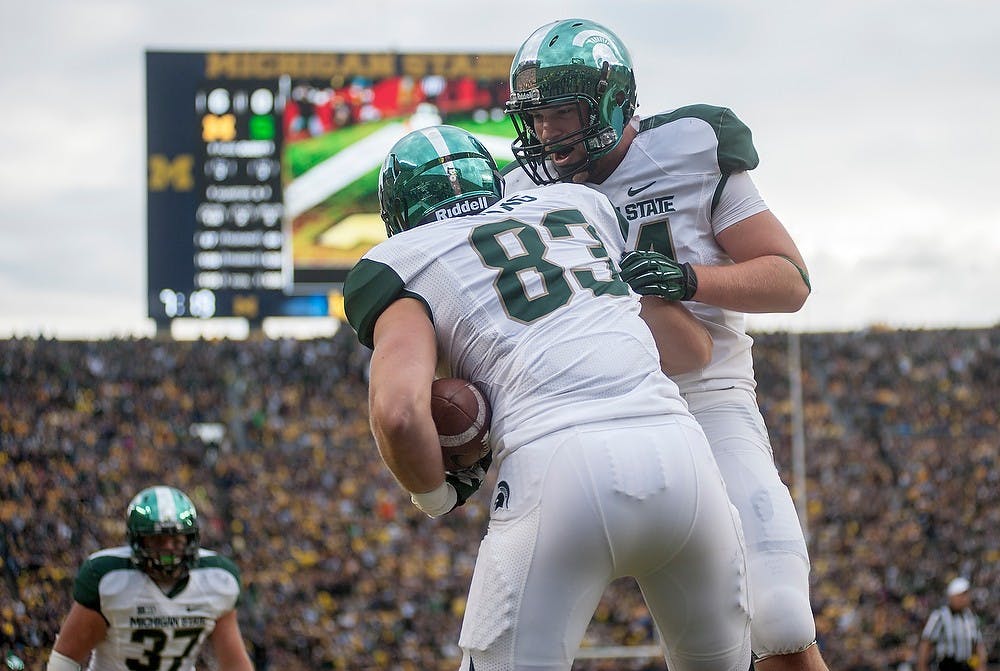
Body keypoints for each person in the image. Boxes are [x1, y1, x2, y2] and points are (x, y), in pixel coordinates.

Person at [343, 124, 751, 671]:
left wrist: (435, 496)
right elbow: (686, 351)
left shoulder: (406, 256)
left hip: (558, 467)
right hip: (685, 457)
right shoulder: (579, 206)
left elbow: (397, 412)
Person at [502, 18, 824, 671]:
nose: (546, 134)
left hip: (708, 400)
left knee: (783, 617)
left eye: (561, 114)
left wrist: (689, 278)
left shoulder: (689, 148)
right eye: (536, 119)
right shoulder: (523, 193)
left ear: (612, 100)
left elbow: (790, 281)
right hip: (597, 418)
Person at [46, 485, 254, 671]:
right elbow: (66, 656)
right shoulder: (108, 577)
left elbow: (234, 663)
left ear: (191, 539)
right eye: (158, 540)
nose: (168, 548)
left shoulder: (218, 578)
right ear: (137, 541)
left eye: (176, 539)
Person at [917, 577, 990, 671]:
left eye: (966, 595)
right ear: (952, 596)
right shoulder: (940, 616)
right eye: (961, 595)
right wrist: (922, 667)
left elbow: (978, 645)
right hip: (945, 666)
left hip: (966, 666)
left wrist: (981, 665)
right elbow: (926, 643)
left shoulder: (971, 617)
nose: (965, 598)